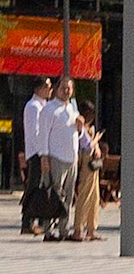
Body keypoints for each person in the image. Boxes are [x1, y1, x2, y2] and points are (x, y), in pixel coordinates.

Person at [39, 77, 88, 239]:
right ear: (57, 89)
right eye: (63, 88)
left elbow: (77, 133)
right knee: (53, 194)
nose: (66, 91)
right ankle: (48, 229)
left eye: (69, 88)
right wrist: (44, 158)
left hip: (71, 158)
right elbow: (43, 134)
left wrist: (80, 128)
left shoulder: (72, 109)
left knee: (67, 196)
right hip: (55, 157)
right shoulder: (49, 109)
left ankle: (63, 228)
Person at [19, 77, 51, 235]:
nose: (50, 89)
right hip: (37, 152)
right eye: (47, 86)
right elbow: (35, 132)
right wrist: (43, 153)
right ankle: (27, 221)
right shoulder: (33, 107)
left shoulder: (43, 105)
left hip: (43, 151)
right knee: (33, 185)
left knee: (40, 186)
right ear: (38, 88)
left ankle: (36, 219)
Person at [71, 109, 102, 240]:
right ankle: (78, 228)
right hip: (85, 162)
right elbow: (87, 145)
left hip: (93, 162)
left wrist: (97, 147)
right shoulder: (80, 128)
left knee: (95, 195)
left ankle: (91, 227)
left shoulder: (91, 128)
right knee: (85, 194)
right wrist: (95, 140)